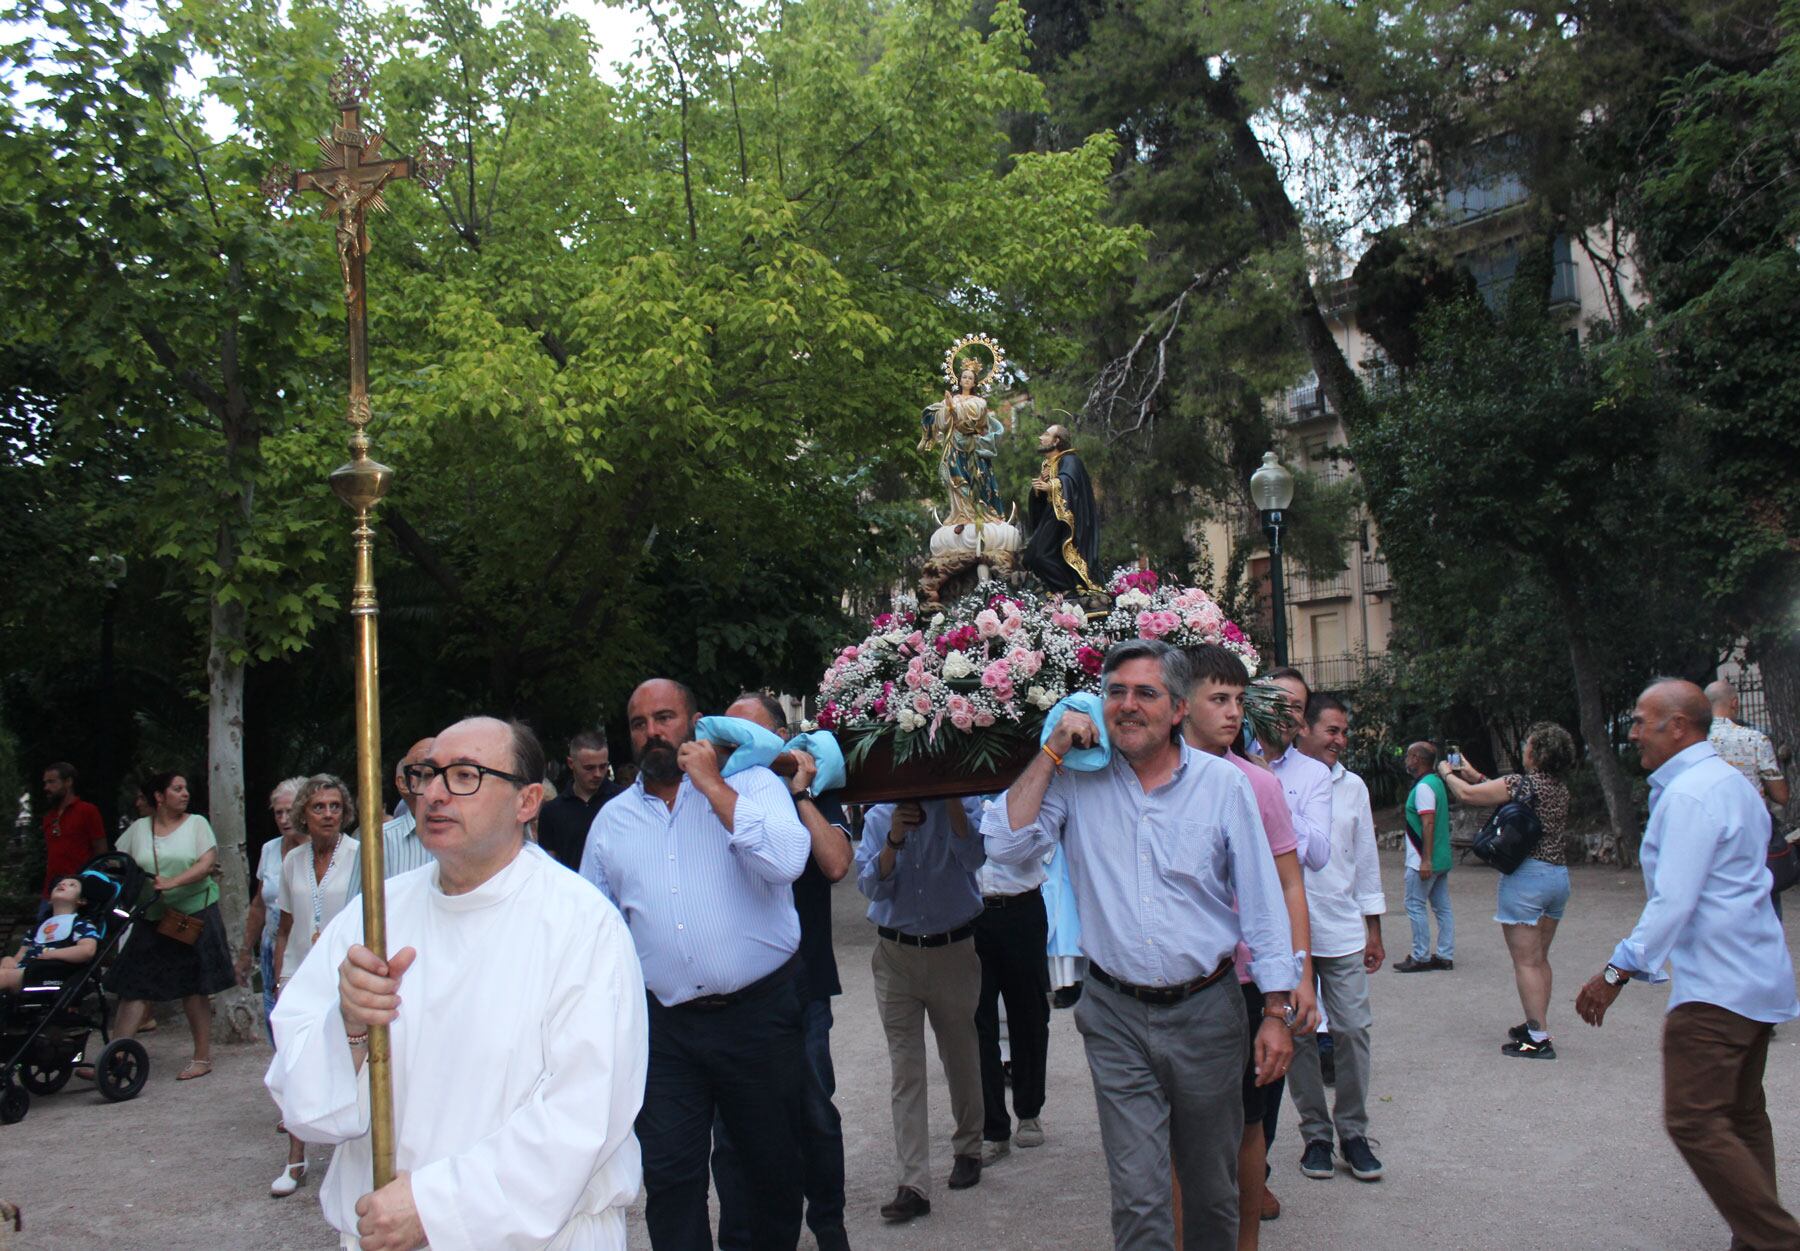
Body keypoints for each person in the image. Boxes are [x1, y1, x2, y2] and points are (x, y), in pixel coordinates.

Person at [267, 716, 648, 1250]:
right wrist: (348, 1026)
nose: (435, 794)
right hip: (380, 1230)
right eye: (427, 774)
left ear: (527, 801)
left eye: (465, 775)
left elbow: (582, 1116)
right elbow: (299, 1099)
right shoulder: (372, 918)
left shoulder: (582, 926)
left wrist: (434, 1205)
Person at [983, 639, 1297, 1251]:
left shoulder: (1222, 786)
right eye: (1114, 693)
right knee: (1138, 1195)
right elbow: (1005, 845)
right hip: (1116, 1015)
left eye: (1145, 693)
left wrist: (1279, 1011)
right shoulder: (1076, 783)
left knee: (1211, 1191)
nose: (1126, 706)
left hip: (1208, 1013)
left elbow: (1263, 903)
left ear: (1178, 708)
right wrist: (1051, 750)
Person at [580, 679, 811, 1251]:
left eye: (665, 717)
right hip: (667, 1030)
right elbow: (593, 926)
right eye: (639, 723)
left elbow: (787, 862)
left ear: (696, 723)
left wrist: (711, 785)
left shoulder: (754, 783)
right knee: (670, 1177)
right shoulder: (611, 822)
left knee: (769, 1170)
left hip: (758, 1017)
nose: (653, 732)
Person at [1575, 679, 1800, 1250]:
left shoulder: (1692, 794)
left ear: (1678, 726)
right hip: (1756, 975)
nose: (1631, 733)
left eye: (1640, 721)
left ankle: (1776, 1240)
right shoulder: (1730, 782)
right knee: (1743, 1117)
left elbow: (1674, 901)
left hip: (1718, 989)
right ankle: (1756, 1241)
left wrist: (1614, 972)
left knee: (1694, 1120)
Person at [1180, 644, 1321, 1245]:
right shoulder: (1152, 780)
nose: (1234, 713)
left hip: (1248, 985)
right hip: (1184, 983)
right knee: (1178, 1133)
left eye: (1239, 700)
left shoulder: (1258, 785)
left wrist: (1301, 977)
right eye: (1219, 699)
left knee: (1248, 1125)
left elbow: (1292, 885)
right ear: (1181, 704)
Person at [711, 691, 854, 1251]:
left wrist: (797, 793)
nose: (738, 747)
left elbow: (836, 864)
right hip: (736, 993)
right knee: (730, 1131)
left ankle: (827, 1225)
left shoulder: (811, 791)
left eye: (753, 736)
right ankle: (741, 1237)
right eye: (730, 736)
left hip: (803, 983)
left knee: (813, 1111)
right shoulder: (711, 796)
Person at [858, 797, 988, 1221]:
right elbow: (870, 887)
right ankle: (912, 1182)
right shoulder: (879, 815)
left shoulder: (964, 803)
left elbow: (975, 859)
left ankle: (968, 1146)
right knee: (905, 1069)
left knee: (961, 1055)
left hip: (953, 947)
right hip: (896, 954)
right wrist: (894, 839)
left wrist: (952, 804)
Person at [1287, 694, 1387, 1185]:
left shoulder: (1353, 787)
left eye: (1344, 732)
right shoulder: (1274, 778)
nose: (1340, 740)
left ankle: (1353, 1132)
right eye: (1332, 730)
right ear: (1303, 729)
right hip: (1290, 935)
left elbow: (1365, 858)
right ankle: (1316, 1136)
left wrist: (1374, 928)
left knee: (1352, 1031)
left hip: (1344, 928)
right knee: (1300, 1036)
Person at [1437, 723, 1577, 1059]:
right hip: (1558, 877)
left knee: (1525, 962)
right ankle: (1535, 1025)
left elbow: (1469, 796)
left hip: (1527, 879)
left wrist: (1446, 773)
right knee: (1539, 959)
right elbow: (1495, 789)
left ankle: (1538, 1040)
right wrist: (1472, 772)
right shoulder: (1559, 789)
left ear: (1536, 752)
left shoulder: (1521, 783)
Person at [1251, 666, 1333, 1193]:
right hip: (1233, 932)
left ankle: (1256, 1174)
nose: (1286, 713)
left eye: (1297, 706)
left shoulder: (1313, 776)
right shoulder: (1222, 760)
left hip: (1284, 928)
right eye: (1276, 701)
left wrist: (1272, 794)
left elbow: (1318, 854)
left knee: (1272, 1059)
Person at [105, 771, 234, 1081]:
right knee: (133, 985)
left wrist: (174, 882)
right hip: (152, 916)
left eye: (186, 788)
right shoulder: (138, 829)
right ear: (159, 797)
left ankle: (201, 1057)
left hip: (193, 914)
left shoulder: (197, 824)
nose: (185, 793)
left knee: (194, 985)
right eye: (177, 789)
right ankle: (115, 1055)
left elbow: (206, 864)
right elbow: (119, 861)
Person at [268, 773, 361, 1198]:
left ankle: (359, 1158)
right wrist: (278, 974)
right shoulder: (292, 860)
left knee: (352, 1064)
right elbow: (286, 924)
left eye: (335, 806)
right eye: (319, 806)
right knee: (295, 1063)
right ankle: (295, 1159)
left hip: (345, 973)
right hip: (300, 971)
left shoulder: (361, 855)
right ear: (304, 811)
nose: (328, 814)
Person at [972, 796, 1052, 1168]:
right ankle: (992, 1127)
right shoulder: (951, 780)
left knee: (1030, 1014)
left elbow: (1046, 838)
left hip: (1021, 908)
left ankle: (1029, 1109)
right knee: (976, 1022)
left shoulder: (1026, 785)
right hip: (969, 913)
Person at [236, 777, 308, 1040]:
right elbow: (258, 904)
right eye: (279, 812)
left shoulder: (319, 850)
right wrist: (246, 952)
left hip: (305, 946)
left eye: (290, 811)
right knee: (273, 1014)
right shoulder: (269, 849)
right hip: (270, 945)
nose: (285, 818)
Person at [1023, 423, 1102, 594]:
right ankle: (1060, 591)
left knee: (1039, 555)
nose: (1040, 438)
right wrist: (1038, 490)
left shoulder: (1070, 460)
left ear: (1056, 440)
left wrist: (1051, 486)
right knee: (1031, 556)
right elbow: (1043, 495)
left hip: (1064, 517)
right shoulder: (1049, 464)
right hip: (1051, 514)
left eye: (1045, 434)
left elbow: (1070, 481)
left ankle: (1069, 590)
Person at [1395, 743, 1453, 973]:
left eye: (1409, 756)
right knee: (1442, 908)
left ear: (1417, 758)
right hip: (1442, 857)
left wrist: (1425, 860)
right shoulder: (1437, 783)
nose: (1406, 760)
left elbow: (1427, 823)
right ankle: (1445, 954)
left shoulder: (1423, 788)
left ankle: (1420, 956)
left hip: (1423, 858)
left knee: (1415, 904)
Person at [355, 736, 437, 889]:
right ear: (404, 783)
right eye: (427, 773)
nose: (439, 782)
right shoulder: (377, 842)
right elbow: (359, 908)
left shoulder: (472, 835)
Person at [538, 730, 625, 872]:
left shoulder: (623, 801)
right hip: (571, 890)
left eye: (603, 767)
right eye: (589, 768)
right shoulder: (552, 811)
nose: (597, 774)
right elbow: (549, 867)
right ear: (571, 763)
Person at [0, 875, 99, 994]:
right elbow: (21, 955)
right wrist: (10, 960)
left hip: (49, 974)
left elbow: (87, 951)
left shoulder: (81, 925)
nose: (62, 885)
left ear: (81, 900)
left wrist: (51, 954)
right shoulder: (37, 929)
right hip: (23, 971)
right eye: (59, 884)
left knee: (4, 976)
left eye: (72, 885)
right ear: (50, 900)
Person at [1705, 679, 1790, 808]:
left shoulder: (1696, 739)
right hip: (1750, 818)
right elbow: (1781, 796)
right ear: (1734, 703)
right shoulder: (1756, 739)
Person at [38, 762, 106, 903]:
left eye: (51, 782)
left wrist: (92, 881)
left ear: (68, 782)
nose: (46, 788)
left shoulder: (87, 811)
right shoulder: (49, 817)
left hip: (79, 890)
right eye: (45, 783)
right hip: (51, 891)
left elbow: (101, 850)